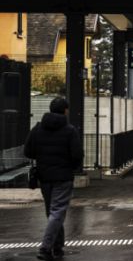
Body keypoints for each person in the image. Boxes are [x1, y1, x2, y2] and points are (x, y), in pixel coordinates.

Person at [24, 97, 83, 261]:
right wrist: (71, 167)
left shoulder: (37, 128)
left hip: (44, 177)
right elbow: (77, 155)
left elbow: (28, 152)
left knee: (52, 212)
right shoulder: (69, 130)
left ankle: (57, 246)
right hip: (63, 177)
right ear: (65, 110)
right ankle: (45, 248)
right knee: (57, 212)